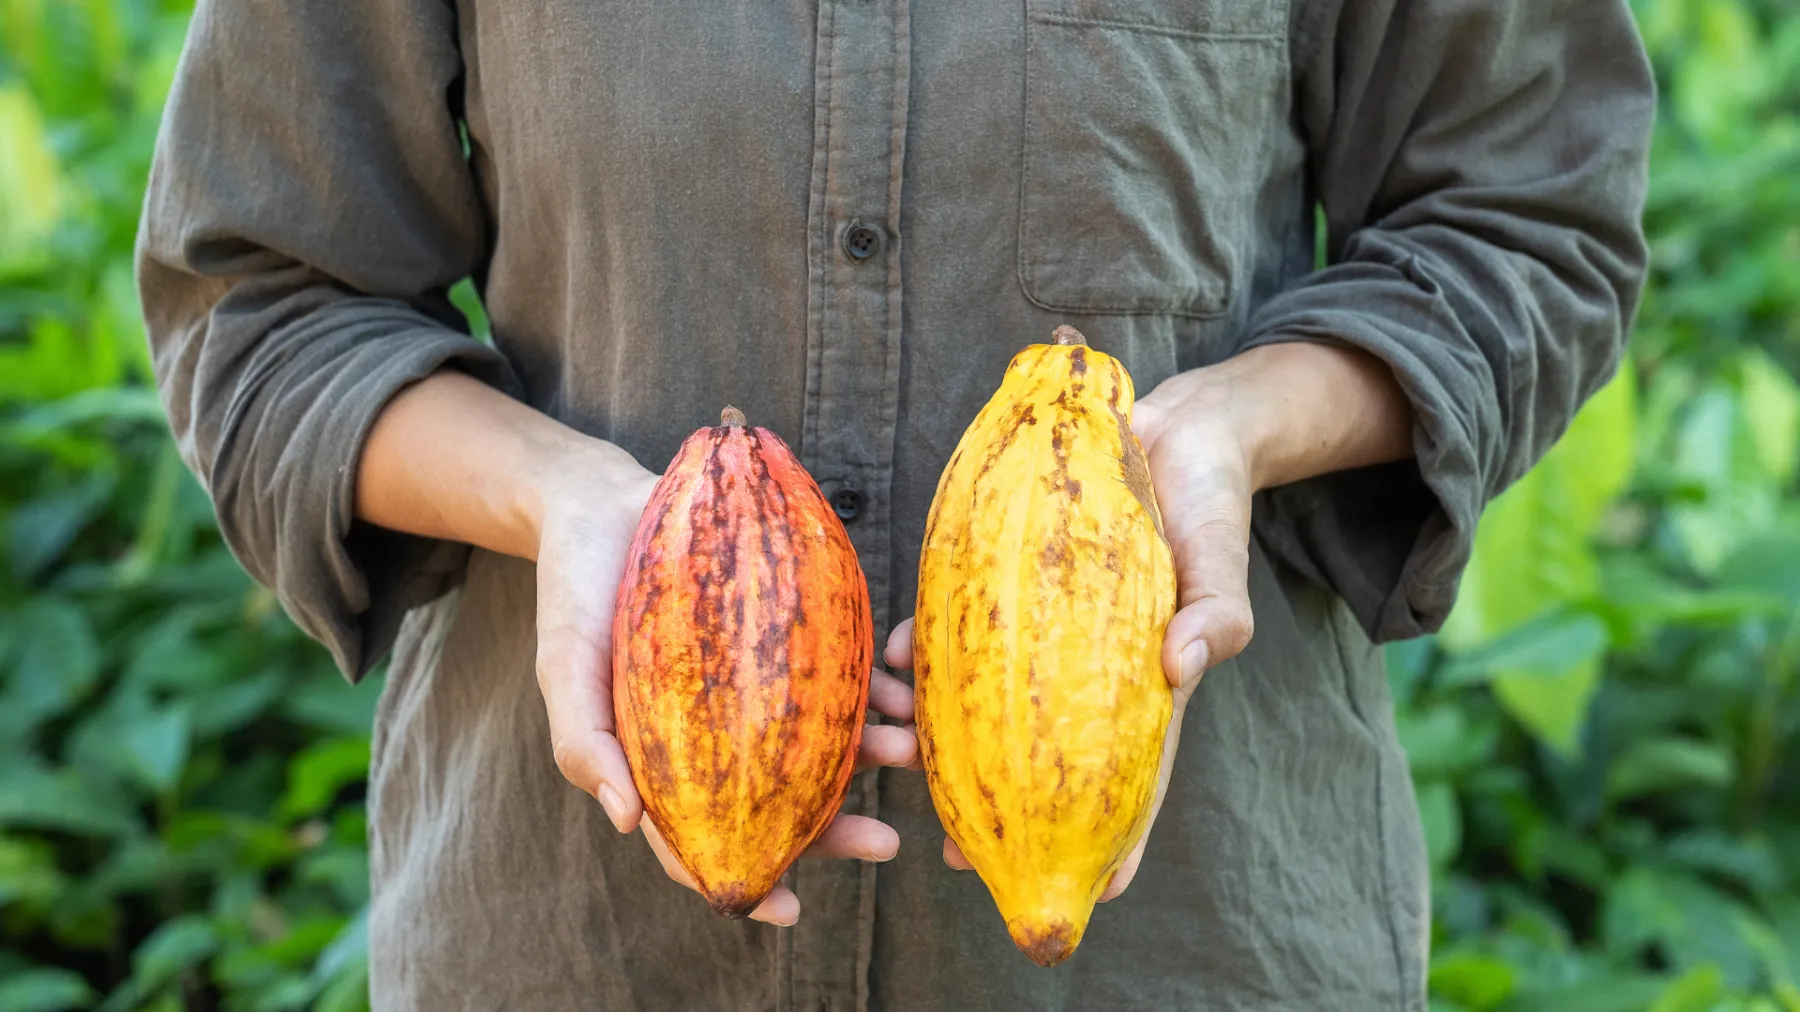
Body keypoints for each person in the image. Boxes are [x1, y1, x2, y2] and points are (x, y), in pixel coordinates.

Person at [136, 0, 1653, 1007]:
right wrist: (559, 497)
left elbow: (1527, 218)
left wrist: (1237, 426)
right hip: (573, 948)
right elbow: (262, 297)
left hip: (1189, 947)